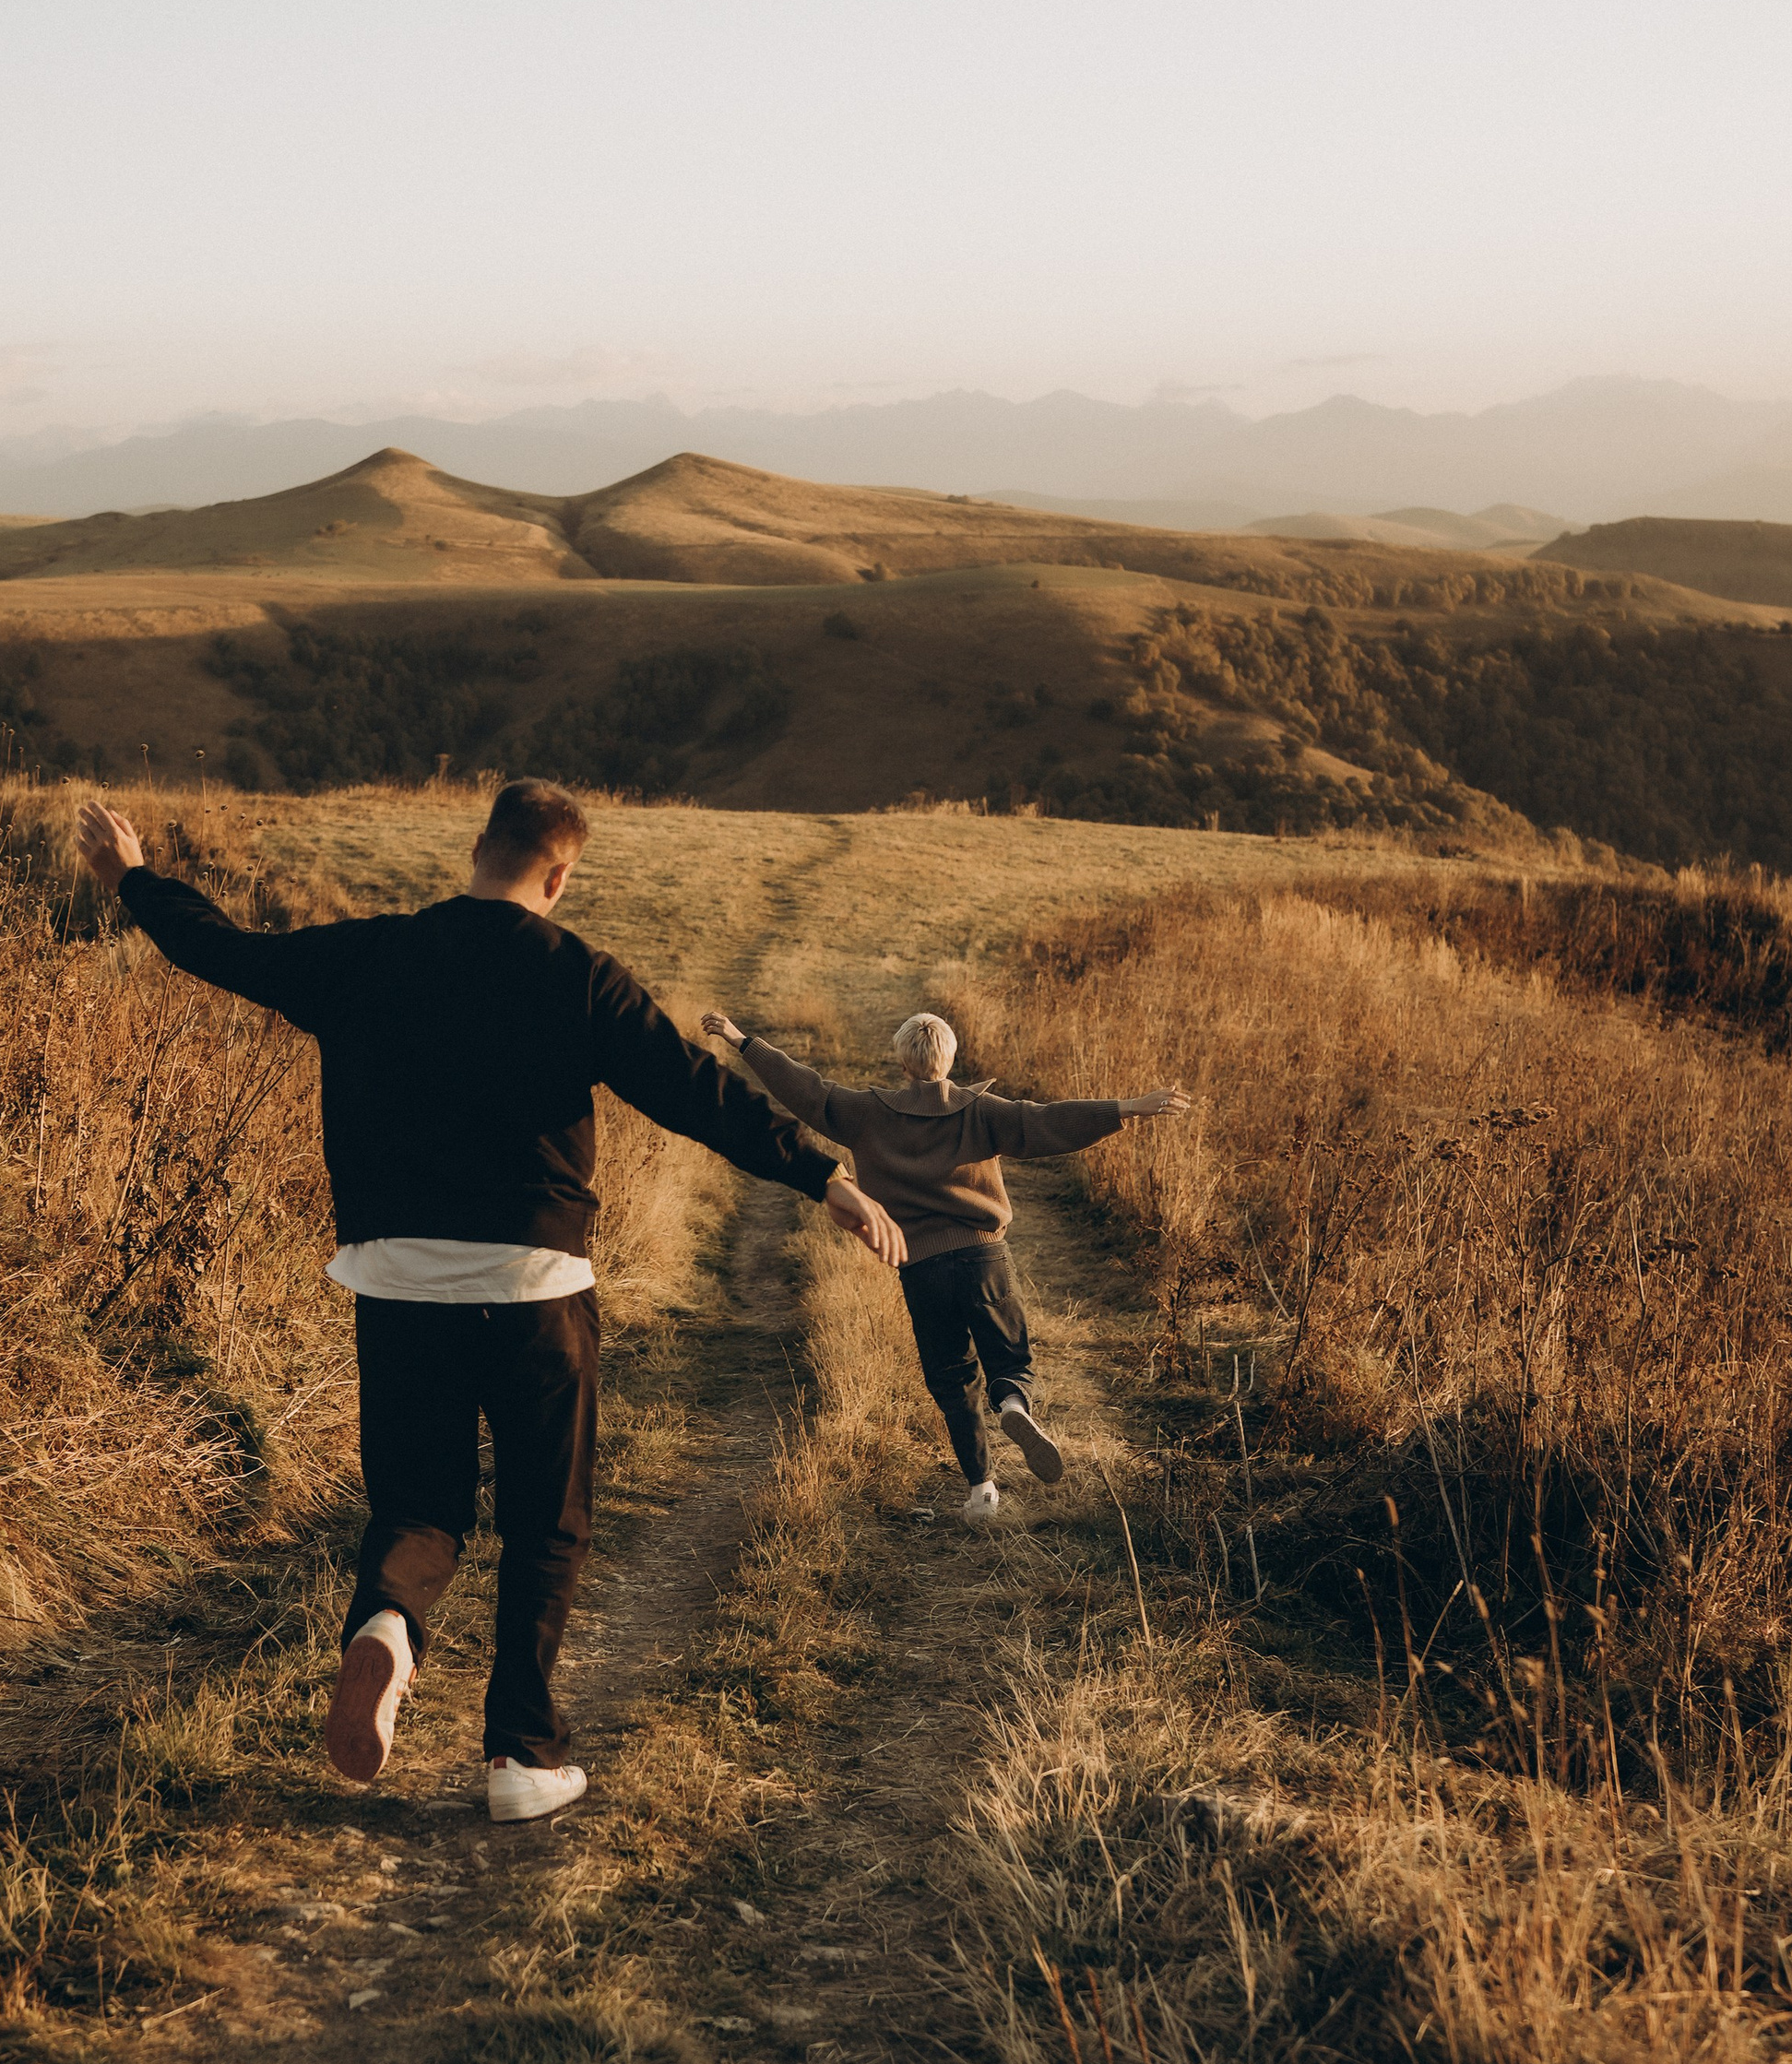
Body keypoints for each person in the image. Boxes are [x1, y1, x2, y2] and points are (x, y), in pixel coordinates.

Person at [76, 779, 905, 1822]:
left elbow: (226, 950)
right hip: (534, 1289)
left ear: (476, 849)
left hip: (395, 1280)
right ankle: (520, 1755)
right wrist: (821, 1177)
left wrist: (134, 879)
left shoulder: (372, 954)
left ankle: (384, 1627)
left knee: (420, 1506)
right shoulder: (580, 977)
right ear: (558, 876)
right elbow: (694, 1090)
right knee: (546, 1523)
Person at [697, 1004, 1187, 1517]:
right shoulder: (981, 1110)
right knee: (1009, 1359)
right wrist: (1129, 1107)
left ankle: (982, 1493)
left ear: (903, 1063)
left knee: (952, 1376)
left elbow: (804, 1088)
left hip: (922, 1267)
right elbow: (1046, 1121)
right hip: (984, 1258)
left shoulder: (867, 1112)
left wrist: (740, 1038)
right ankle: (1014, 1404)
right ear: (949, 1061)